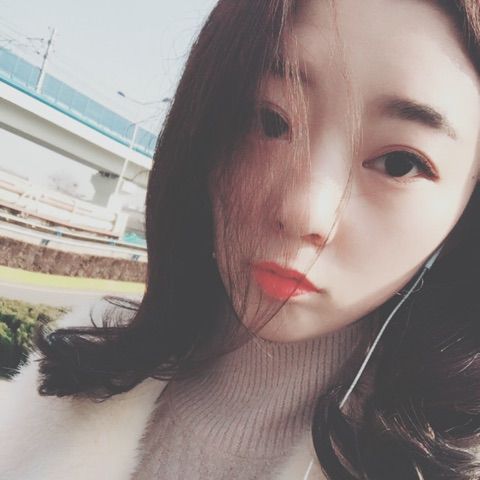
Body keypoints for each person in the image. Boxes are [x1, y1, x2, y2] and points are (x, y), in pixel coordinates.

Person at [1, 0, 480, 478]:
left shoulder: (442, 462)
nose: (304, 212)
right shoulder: (76, 366)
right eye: (270, 122)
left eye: (400, 163)